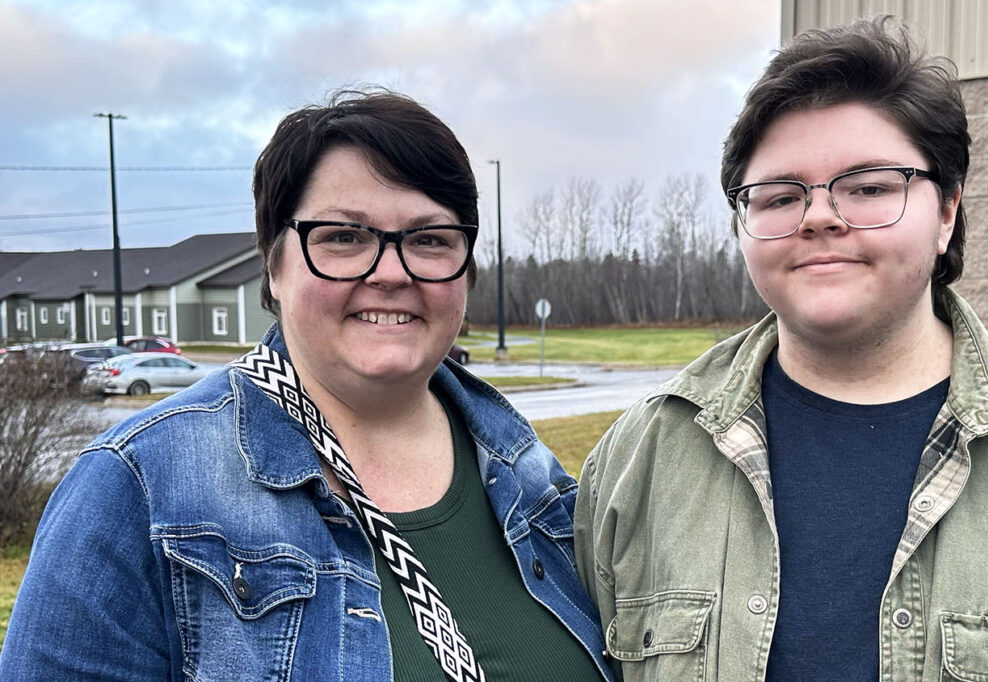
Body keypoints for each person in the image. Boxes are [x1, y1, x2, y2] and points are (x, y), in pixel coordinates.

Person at [573, 17, 988, 681]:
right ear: (743, 223)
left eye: (869, 186)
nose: (819, 216)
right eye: (779, 195)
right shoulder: (636, 462)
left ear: (946, 212)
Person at [1, 91, 611, 681]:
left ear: (466, 269)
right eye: (344, 237)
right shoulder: (138, 489)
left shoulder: (532, 478)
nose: (392, 273)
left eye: (429, 239)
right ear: (274, 264)